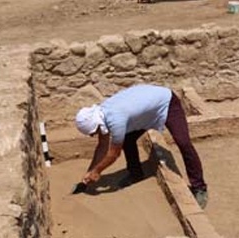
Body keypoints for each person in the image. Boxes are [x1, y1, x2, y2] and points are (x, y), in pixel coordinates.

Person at [74, 84, 208, 208]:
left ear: (96, 124)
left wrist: (97, 171)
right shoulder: (101, 114)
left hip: (167, 103)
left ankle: (199, 187)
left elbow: (114, 154)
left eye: (93, 132)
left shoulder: (115, 120)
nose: (93, 135)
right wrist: (89, 172)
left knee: (183, 143)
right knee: (128, 140)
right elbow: (102, 146)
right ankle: (136, 173)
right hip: (146, 113)